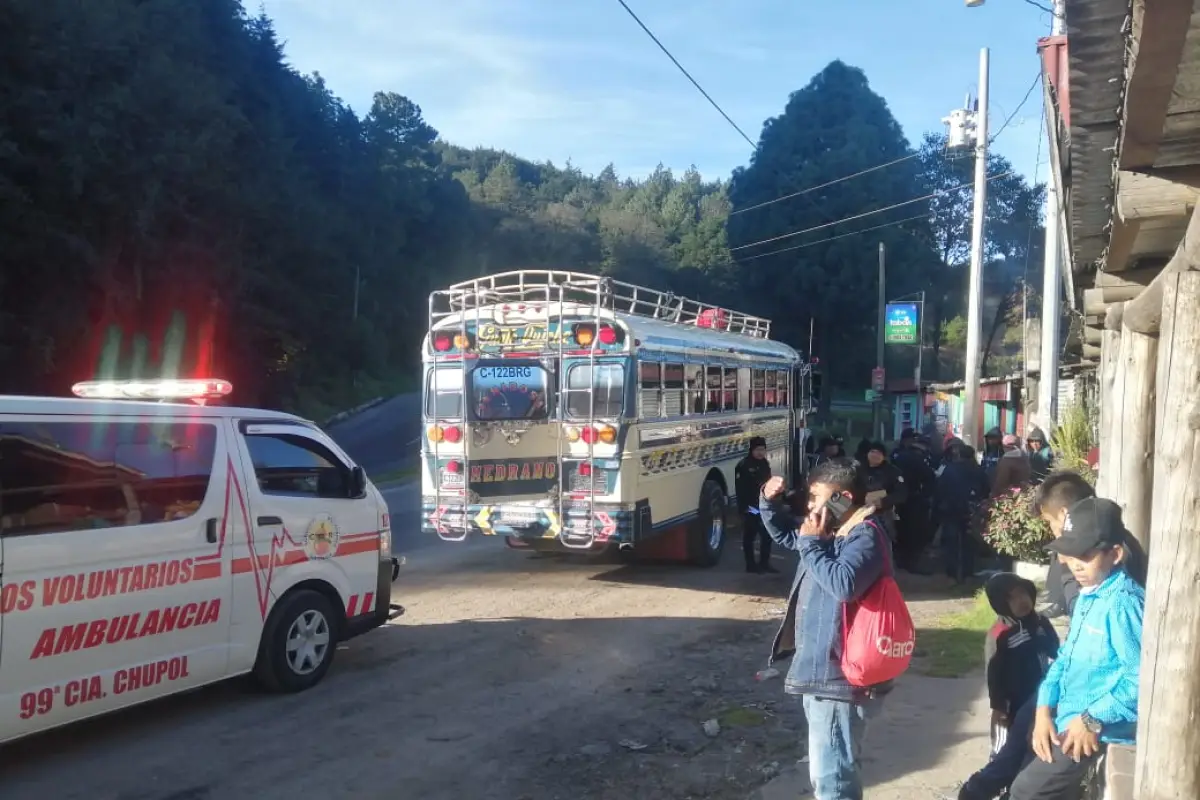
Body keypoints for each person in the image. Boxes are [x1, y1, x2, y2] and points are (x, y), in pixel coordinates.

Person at [758, 460, 891, 800]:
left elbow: (844, 584)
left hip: (838, 678)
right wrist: (768, 503)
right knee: (830, 768)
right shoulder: (837, 528)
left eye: (817, 497)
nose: (810, 506)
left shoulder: (865, 535)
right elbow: (793, 537)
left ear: (843, 497)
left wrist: (811, 545)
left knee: (833, 778)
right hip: (824, 671)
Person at [1008, 497, 1144, 800]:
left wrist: (1091, 719)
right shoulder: (1087, 595)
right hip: (1064, 717)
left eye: (1086, 554)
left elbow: (1139, 677)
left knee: (1024, 792)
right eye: (1070, 554)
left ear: (1115, 554)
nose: (1076, 565)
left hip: (1094, 727)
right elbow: (1066, 658)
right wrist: (1043, 709)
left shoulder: (1122, 603)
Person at [958, 573, 1060, 800]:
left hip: (1039, 697)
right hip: (1010, 704)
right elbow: (994, 673)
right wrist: (999, 706)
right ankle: (984, 789)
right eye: (1012, 598)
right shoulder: (1000, 634)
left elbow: (1056, 649)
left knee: (1031, 747)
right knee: (1004, 751)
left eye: (1023, 594)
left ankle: (1018, 787)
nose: (1021, 601)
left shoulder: (1041, 623)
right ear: (1000, 604)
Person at [1031, 472, 1148, 620]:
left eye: (1049, 521)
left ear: (1064, 515)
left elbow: (1081, 612)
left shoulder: (1104, 547)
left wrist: (1067, 566)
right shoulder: (1111, 536)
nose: (1050, 528)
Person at [936, 442, 989, 583]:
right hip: (971, 509)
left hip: (951, 509)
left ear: (958, 454)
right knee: (969, 542)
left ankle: (951, 574)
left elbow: (940, 488)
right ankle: (967, 573)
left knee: (951, 543)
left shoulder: (948, 469)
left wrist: (938, 507)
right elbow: (986, 489)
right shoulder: (978, 470)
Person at [891, 430, 936, 573]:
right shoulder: (916, 460)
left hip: (898, 498)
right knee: (915, 531)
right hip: (914, 499)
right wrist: (926, 494)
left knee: (901, 529)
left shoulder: (897, 457)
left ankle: (900, 560)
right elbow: (930, 477)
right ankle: (911, 563)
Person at [735, 436, 777, 574]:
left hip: (763, 506)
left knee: (766, 535)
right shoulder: (743, 465)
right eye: (757, 449)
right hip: (750, 507)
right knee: (751, 535)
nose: (760, 452)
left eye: (762, 449)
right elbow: (740, 490)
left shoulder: (764, 463)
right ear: (751, 450)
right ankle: (751, 565)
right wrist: (745, 508)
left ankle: (764, 563)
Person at [861, 441, 907, 542]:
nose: (875, 455)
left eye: (879, 453)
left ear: (884, 456)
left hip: (883, 514)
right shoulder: (859, 469)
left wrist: (884, 501)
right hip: (861, 512)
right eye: (872, 451)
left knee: (884, 540)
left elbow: (901, 494)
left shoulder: (893, 472)